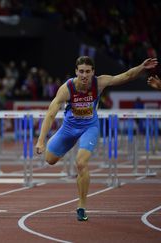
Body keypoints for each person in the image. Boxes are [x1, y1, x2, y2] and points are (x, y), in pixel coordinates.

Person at [35, 56, 158, 221]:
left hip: (89, 128)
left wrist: (142, 67)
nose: (84, 75)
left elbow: (126, 76)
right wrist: (41, 140)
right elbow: (50, 114)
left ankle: (81, 205)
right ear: (76, 72)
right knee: (49, 159)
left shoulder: (99, 83)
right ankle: (57, 142)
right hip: (69, 128)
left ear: (93, 72)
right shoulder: (67, 88)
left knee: (81, 163)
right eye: (81, 72)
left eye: (87, 71)